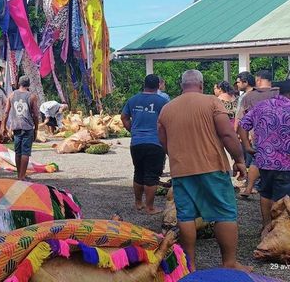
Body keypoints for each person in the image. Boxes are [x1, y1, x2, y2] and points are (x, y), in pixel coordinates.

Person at [157, 70, 248, 272]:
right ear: (201, 84)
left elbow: (164, 142)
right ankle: (229, 262)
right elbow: (226, 133)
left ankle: (190, 264)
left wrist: (178, 157)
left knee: (186, 216)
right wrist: (239, 159)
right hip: (212, 167)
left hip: (181, 170)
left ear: (181, 85)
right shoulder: (212, 102)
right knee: (224, 213)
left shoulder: (167, 108)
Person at [238, 79, 290, 231]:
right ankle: (279, 229)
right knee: (283, 197)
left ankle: (266, 225)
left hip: (264, 160)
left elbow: (242, 126)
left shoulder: (262, 106)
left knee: (265, 192)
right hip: (286, 162)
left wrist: (247, 146)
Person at [121, 74, 169, 214]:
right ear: (158, 85)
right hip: (155, 143)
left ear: (145, 84)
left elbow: (124, 117)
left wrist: (132, 129)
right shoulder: (162, 102)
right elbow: (167, 121)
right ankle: (150, 207)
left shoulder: (133, 99)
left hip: (136, 143)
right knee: (151, 176)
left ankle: (138, 202)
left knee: (138, 173)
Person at [235, 70, 279, 196]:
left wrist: (243, 137)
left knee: (256, 161)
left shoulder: (249, 96)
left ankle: (249, 188)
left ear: (258, 80)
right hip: (280, 135)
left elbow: (242, 119)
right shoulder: (279, 92)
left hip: (258, 135)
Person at [2, 76, 39, 180]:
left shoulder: (12, 95)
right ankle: (22, 176)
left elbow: (6, 112)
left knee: (18, 152)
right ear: (28, 84)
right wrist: (36, 128)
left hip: (16, 126)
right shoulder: (32, 96)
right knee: (25, 152)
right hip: (27, 127)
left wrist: (4, 126)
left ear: (19, 83)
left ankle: (19, 175)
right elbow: (35, 115)